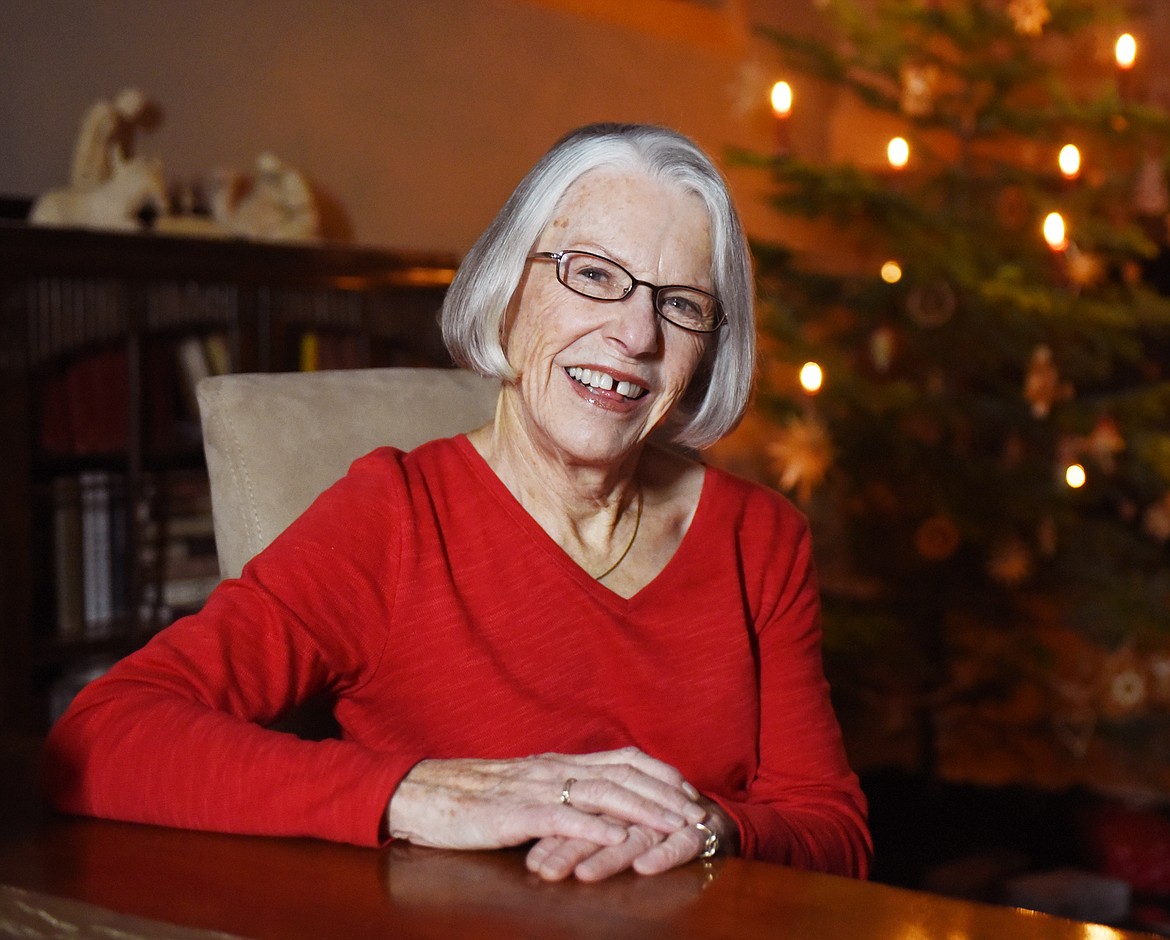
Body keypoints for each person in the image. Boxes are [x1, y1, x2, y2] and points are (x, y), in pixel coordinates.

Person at [43, 123, 872, 882]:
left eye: (680, 304)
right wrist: (419, 794)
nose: (635, 335)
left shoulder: (760, 539)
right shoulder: (394, 520)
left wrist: (706, 828)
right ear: (510, 292)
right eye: (592, 275)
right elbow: (101, 737)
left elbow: (832, 829)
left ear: (707, 348)